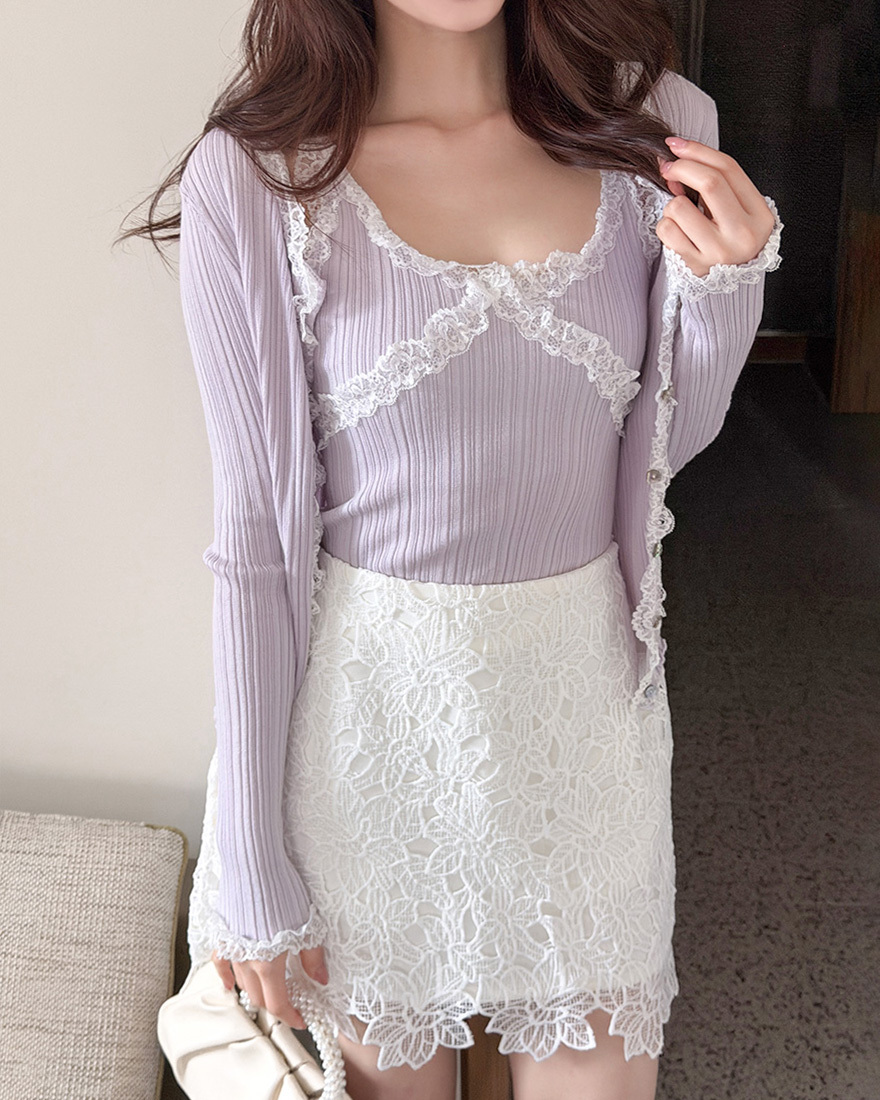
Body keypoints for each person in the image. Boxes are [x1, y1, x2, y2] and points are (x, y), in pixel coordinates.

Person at [118, 1, 782, 1097]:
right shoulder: (258, 175)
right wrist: (250, 859)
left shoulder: (655, 126)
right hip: (366, 739)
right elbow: (257, 548)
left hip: (580, 727)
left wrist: (727, 290)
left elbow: (665, 446)